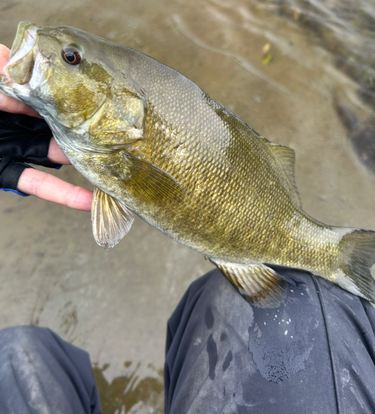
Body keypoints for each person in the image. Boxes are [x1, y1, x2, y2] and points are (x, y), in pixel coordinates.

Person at [1, 44, 375, 413]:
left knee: (17, 357)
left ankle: (333, 255)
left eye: (71, 57)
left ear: (126, 106)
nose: (51, 54)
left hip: (258, 223)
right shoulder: (113, 140)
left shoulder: (119, 141)